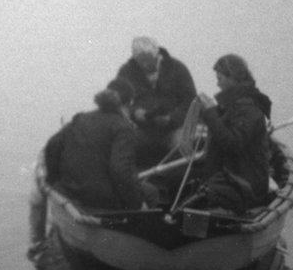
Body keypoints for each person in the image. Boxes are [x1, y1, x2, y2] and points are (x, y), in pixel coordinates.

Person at [43, 78, 157, 211]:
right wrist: (137, 204)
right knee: (151, 192)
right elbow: (120, 171)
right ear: (129, 102)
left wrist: (54, 181)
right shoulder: (123, 128)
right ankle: (135, 227)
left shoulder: (80, 119)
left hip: (71, 191)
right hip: (101, 199)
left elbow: (52, 147)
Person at [191, 54, 273, 214]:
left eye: (220, 78)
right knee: (191, 187)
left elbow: (232, 144)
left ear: (232, 77)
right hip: (233, 177)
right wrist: (210, 114)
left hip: (246, 184)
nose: (217, 83)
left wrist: (210, 113)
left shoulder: (249, 109)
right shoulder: (234, 105)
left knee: (199, 200)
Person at [116, 36, 196, 168]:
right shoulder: (126, 73)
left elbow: (190, 101)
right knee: (124, 146)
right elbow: (119, 103)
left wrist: (171, 119)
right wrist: (134, 113)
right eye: (141, 61)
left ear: (156, 54)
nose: (145, 64)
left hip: (175, 128)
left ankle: (180, 183)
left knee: (182, 147)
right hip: (142, 129)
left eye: (148, 60)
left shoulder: (177, 68)